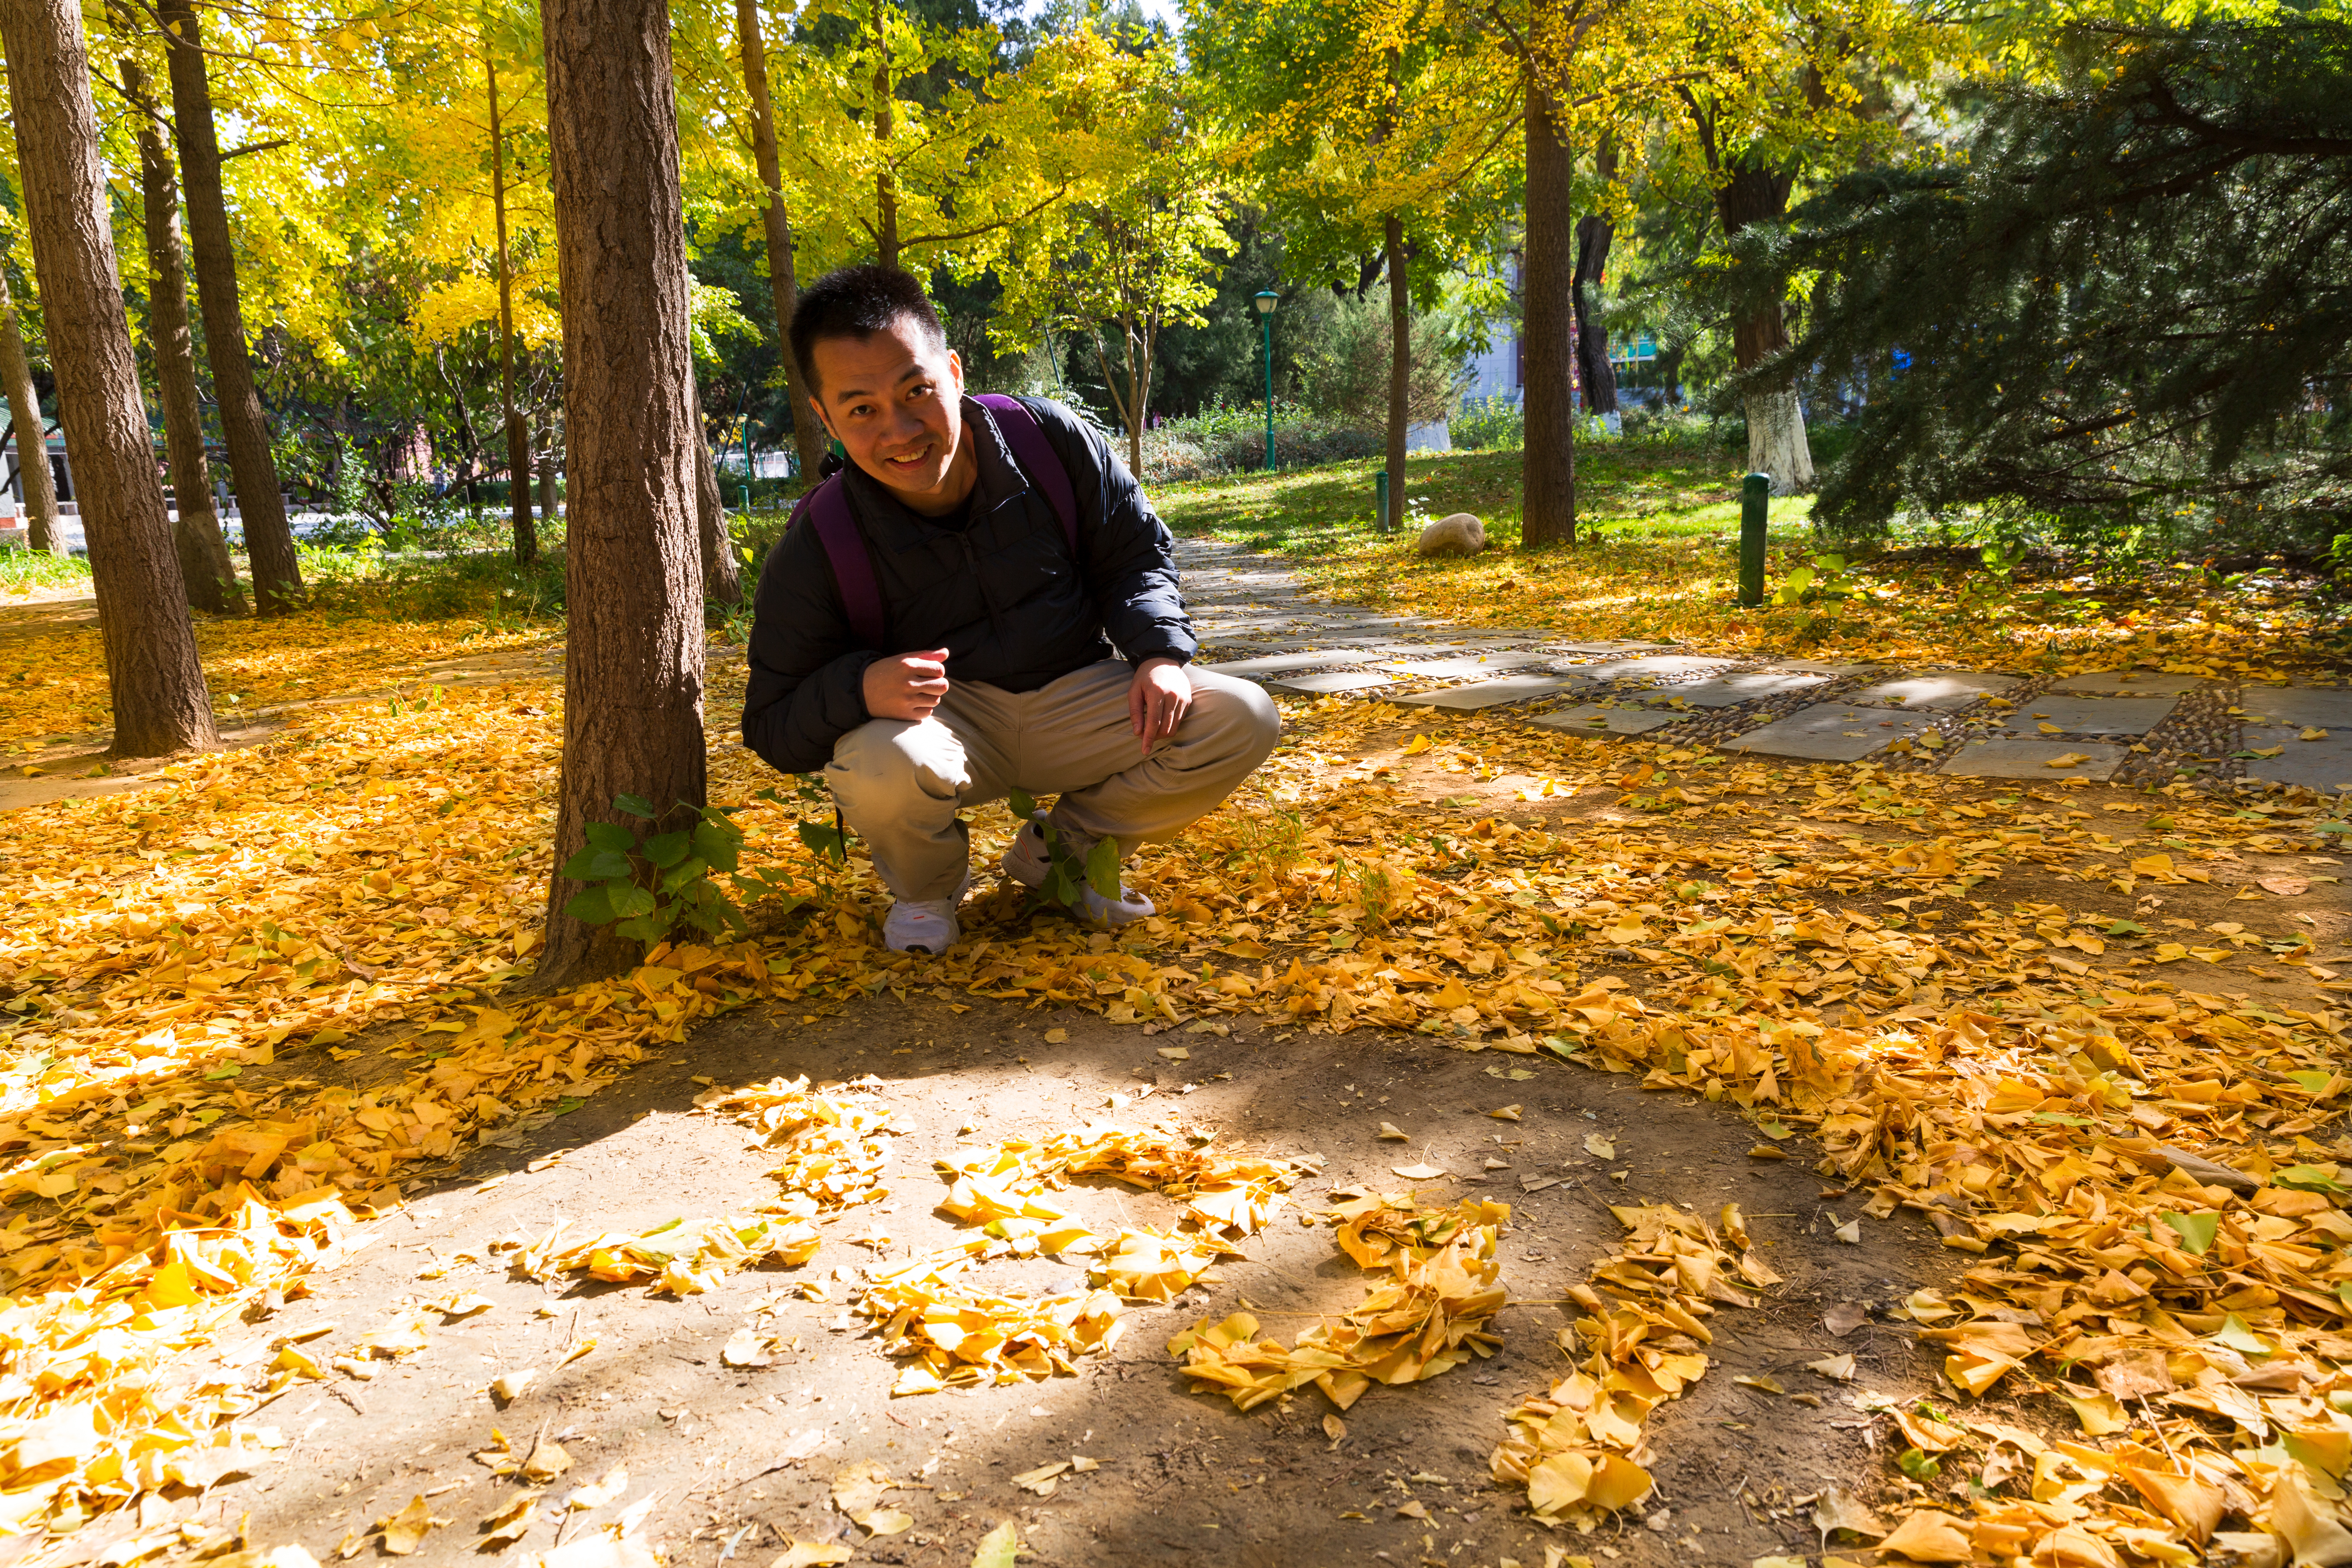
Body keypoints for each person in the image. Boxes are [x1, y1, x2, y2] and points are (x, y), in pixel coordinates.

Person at [740, 264, 1281, 955]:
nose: (901, 430)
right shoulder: (823, 538)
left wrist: (1158, 655)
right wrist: (860, 686)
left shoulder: (1046, 440)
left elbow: (1133, 554)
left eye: (917, 391)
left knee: (1242, 716)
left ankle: (1062, 852)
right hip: (948, 723)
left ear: (955, 372)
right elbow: (772, 722)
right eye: (862, 409)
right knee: (878, 758)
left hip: (1077, 694)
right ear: (825, 418)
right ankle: (927, 893)